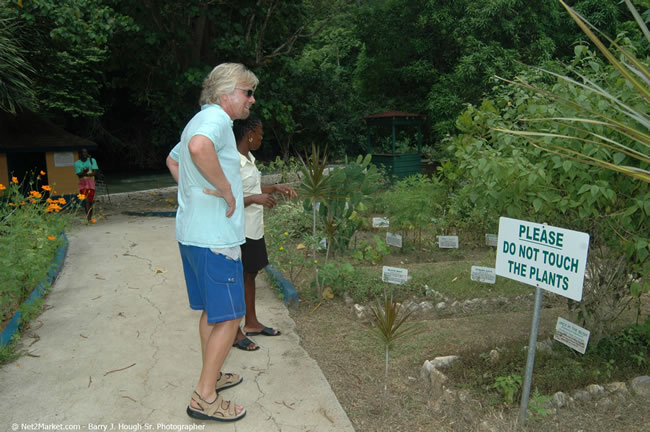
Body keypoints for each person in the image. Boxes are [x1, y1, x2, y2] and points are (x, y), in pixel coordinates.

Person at [166, 62, 257, 423]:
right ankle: (204, 396)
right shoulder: (216, 121)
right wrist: (224, 191)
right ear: (226, 94)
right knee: (231, 316)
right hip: (215, 239)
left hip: (193, 235)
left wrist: (194, 193)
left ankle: (212, 375)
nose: (252, 100)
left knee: (213, 311)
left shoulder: (198, 119)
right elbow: (198, 148)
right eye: (247, 92)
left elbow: (174, 160)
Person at [230, 113, 297, 351]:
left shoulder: (248, 158)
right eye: (259, 133)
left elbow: (251, 187)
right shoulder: (231, 162)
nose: (261, 137)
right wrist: (257, 198)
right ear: (249, 135)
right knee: (237, 279)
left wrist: (274, 188)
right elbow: (228, 199)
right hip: (238, 230)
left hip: (254, 228)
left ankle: (252, 323)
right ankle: (234, 332)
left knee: (250, 274)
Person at [74, 148, 99, 222]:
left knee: (90, 201)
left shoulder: (92, 160)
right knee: (86, 200)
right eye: (83, 153)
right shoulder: (77, 163)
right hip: (83, 184)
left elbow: (95, 172)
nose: (84, 154)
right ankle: (88, 219)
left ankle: (90, 217)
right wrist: (86, 172)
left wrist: (84, 173)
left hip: (91, 183)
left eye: (86, 152)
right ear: (80, 154)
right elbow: (79, 175)